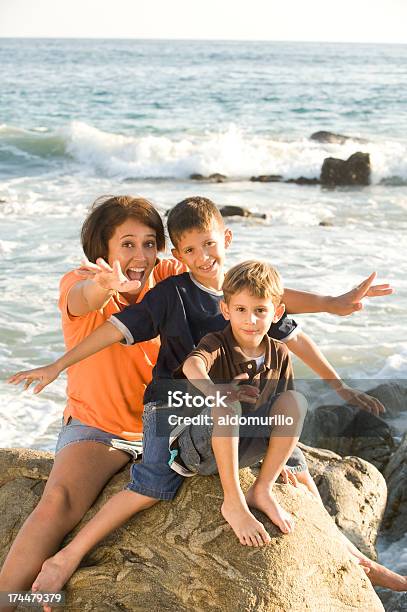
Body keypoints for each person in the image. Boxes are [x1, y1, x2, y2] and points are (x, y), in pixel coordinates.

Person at [8, 196, 405, 597]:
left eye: (150, 243)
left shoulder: (167, 273)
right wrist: (98, 290)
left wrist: (332, 304)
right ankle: (11, 598)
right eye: (127, 244)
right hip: (105, 428)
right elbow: (84, 299)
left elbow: (245, 290)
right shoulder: (82, 282)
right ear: (103, 248)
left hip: (187, 416)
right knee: (59, 501)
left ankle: (352, 558)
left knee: (296, 467)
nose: (141, 255)